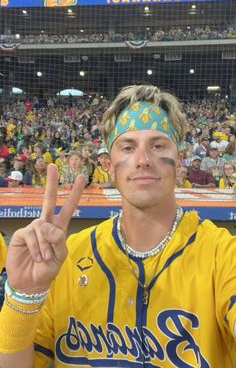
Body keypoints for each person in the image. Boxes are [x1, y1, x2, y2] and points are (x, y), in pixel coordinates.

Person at [0, 84, 236, 368]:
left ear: (179, 159)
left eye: (158, 145)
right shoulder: (66, 259)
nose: (143, 161)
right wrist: (23, 296)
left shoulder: (222, 254)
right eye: (127, 147)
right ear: (110, 164)